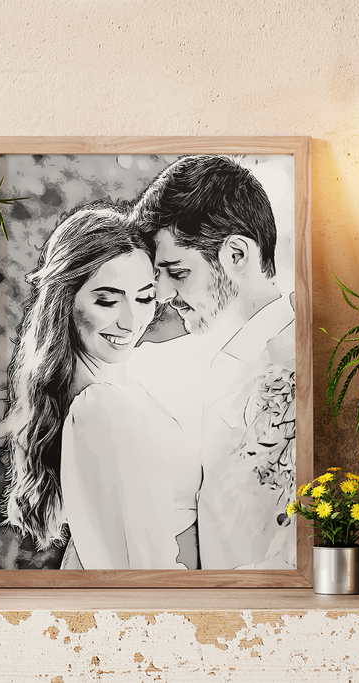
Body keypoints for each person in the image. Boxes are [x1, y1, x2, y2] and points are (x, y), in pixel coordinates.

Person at [1, 202, 198, 570]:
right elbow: (140, 574)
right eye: (107, 300)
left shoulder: (121, 386)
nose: (131, 321)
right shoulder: (101, 408)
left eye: (144, 298)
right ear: (65, 301)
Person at [130, 155, 297, 570]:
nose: (163, 294)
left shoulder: (298, 358)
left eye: (177, 272)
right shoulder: (199, 363)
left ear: (236, 254)